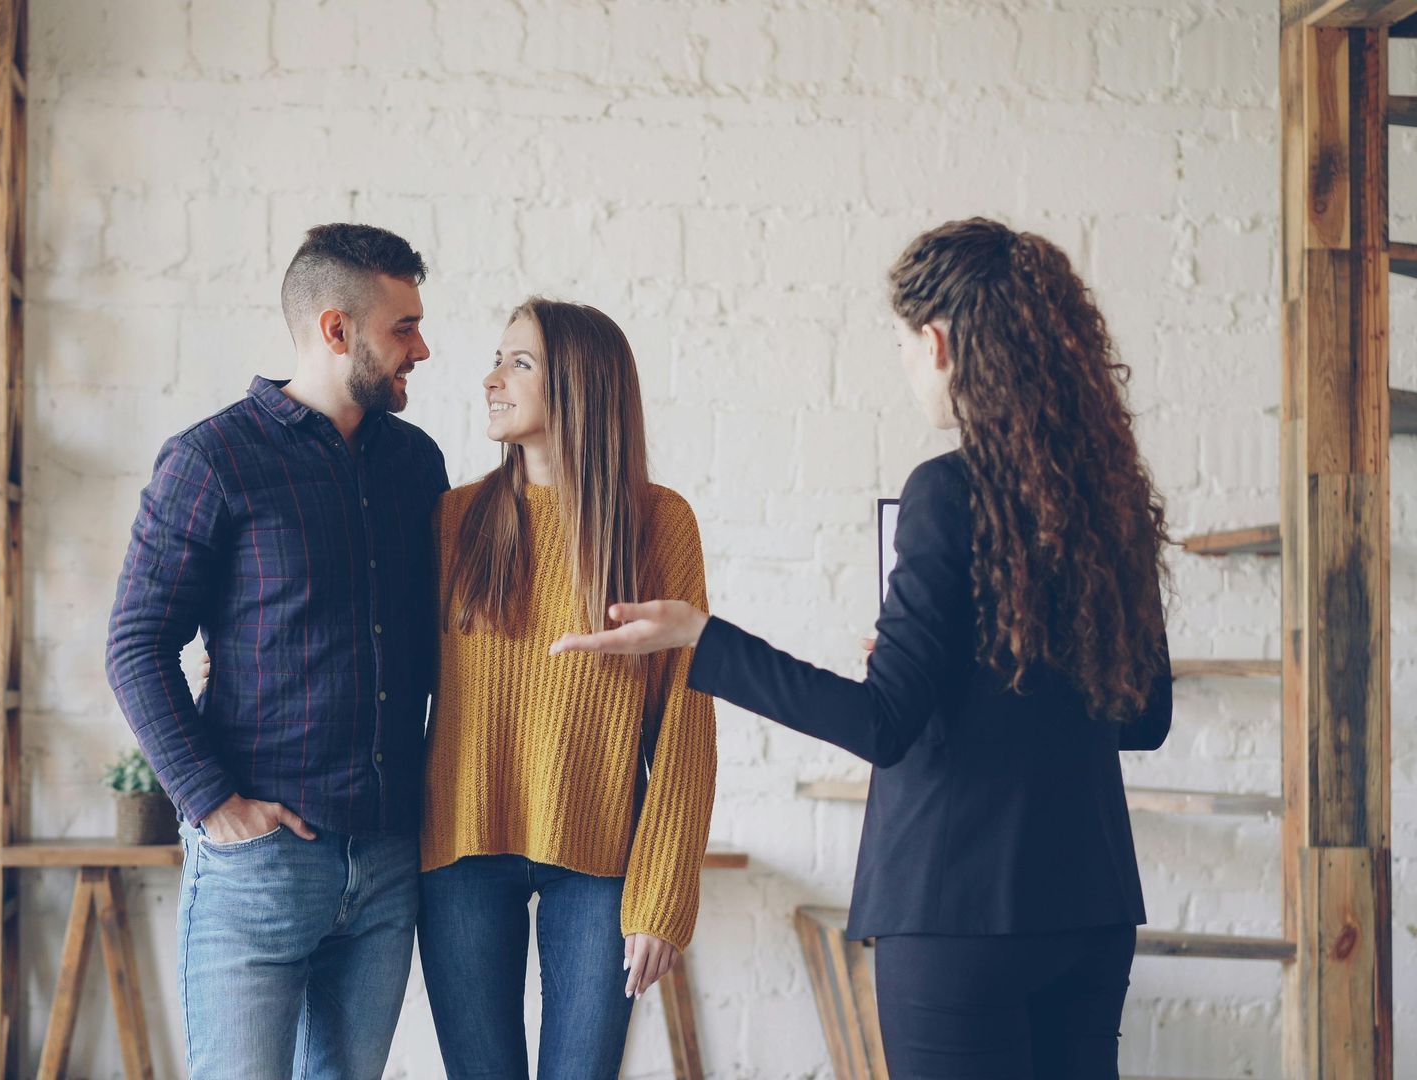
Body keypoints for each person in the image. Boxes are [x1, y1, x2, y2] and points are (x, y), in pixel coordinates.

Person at [553, 218, 1174, 1080]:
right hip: (1090, 906)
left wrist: (702, 638)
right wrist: (974, 669)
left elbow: (882, 724)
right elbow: (1145, 717)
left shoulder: (948, 491)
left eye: (900, 343)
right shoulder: (1106, 496)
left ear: (938, 341)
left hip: (957, 912)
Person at [106, 223, 447, 1080]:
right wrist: (214, 805)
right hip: (258, 868)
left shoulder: (418, 465)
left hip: (387, 865)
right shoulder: (211, 460)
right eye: (403, 327)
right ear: (337, 330)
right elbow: (136, 644)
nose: (423, 348)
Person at [417, 298, 718, 1079]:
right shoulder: (453, 519)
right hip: (459, 851)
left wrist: (662, 895)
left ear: (582, 386)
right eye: (497, 358)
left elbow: (686, 720)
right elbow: (385, 659)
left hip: (600, 862)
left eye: (519, 363)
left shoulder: (659, 524)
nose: (491, 379)